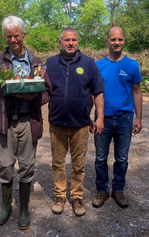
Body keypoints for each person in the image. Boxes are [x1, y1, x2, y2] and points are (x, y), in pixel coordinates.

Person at [0, 16, 51, 230]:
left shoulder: (37, 62)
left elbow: (47, 90)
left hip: (29, 121)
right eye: (9, 36)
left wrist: (33, 96)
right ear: (6, 37)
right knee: (5, 166)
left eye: (16, 35)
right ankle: (6, 206)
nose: (13, 39)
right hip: (6, 122)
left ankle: (23, 209)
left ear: (23, 35)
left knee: (27, 166)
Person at [46, 27, 104, 217]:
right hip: (57, 124)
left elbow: (98, 91)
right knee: (58, 163)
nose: (71, 43)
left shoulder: (88, 63)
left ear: (78, 42)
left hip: (80, 124)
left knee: (78, 164)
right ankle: (60, 196)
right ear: (60, 42)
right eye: (67, 40)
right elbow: (42, 90)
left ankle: (77, 197)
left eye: (74, 40)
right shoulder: (50, 63)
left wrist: (100, 117)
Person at [92, 26, 142, 209]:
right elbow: (93, 92)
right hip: (102, 119)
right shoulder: (98, 66)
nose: (117, 43)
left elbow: (137, 92)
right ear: (107, 42)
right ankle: (102, 190)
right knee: (100, 158)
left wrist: (139, 118)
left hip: (124, 119)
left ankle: (118, 190)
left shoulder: (132, 65)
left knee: (122, 159)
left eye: (120, 39)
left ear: (124, 41)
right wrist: (91, 116)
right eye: (113, 39)